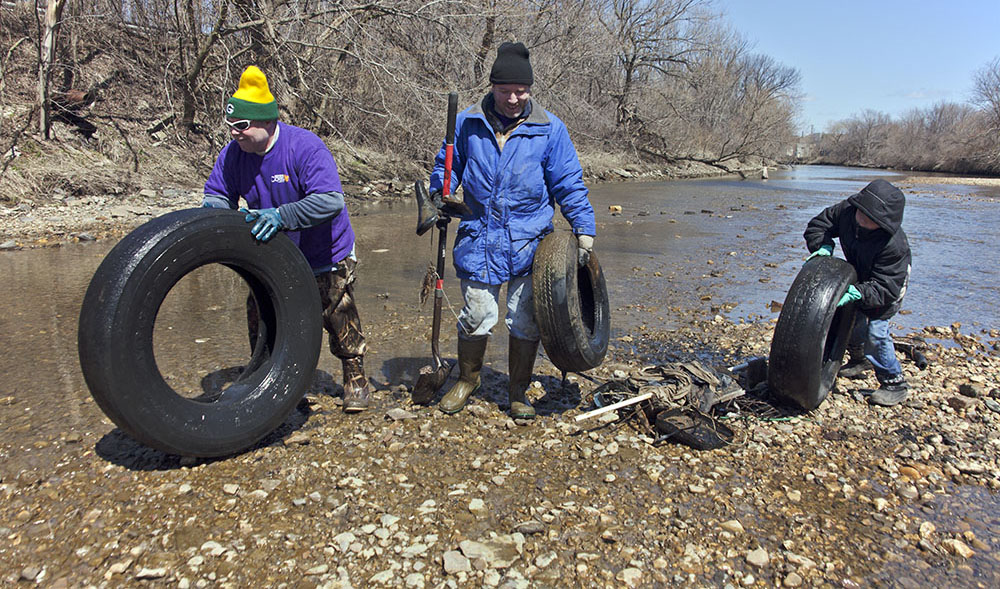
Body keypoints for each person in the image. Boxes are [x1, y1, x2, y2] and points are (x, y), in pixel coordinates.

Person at [428, 42, 596, 419]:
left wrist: (584, 228)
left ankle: (518, 390)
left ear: (530, 89)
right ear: (492, 87)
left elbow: (568, 183)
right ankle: (467, 380)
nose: (513, 98)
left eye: (521, 91)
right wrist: (439, 193)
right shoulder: (466, 124)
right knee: (476, 315)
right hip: (478, 236)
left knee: (525, 318)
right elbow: (447, 167)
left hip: (530, 241)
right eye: (505, 91)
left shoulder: (550, 130)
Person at [202, 65, 374, 412]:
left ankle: (354, 377)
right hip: (272, 255)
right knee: (264, 315)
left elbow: (330, 200)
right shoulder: (233, 154)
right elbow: (216, 195)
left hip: (324, 251)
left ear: (266, 123)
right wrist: (220, 220)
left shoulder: (304, 147)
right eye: (230, 127)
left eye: (241, 127)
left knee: (337, 313)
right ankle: (272, 382)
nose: (234, 134)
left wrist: (282, 216)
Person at [804, 179, 912, 407]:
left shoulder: (893, 246)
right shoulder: (847, 212)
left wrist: (859, 293)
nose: (861, 219)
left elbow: (886, 288)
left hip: (887, 287)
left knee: (875, 333)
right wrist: (822, 246)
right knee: (851, 321)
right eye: (861, 213)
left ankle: (894, 383)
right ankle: (859, 360)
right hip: (859, 273)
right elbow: (819, 225)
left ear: (883, 222)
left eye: (870, 219)